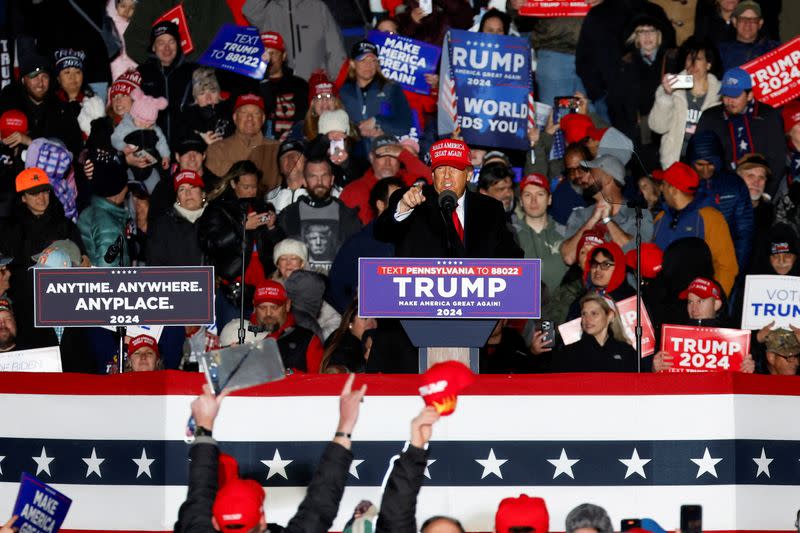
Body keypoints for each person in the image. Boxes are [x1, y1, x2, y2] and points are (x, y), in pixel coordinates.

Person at [175, 374, 365, 532]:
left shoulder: (195, 525)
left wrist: (204, 426)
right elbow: (320, 504)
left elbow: (199, 493)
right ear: (263, 519)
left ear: (214, 523)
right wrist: (345, 425)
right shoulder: (196, 524)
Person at [375, 138, 523, 258]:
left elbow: (512, 256)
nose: (446, 177)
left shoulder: (490, 209)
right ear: (432, 175)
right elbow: (381, 233)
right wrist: (403, 209)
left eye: (454, 169)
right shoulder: (411, 200)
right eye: (440, 169)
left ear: (469, 174)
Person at [199, 161, 283, 329]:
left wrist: (273, 227)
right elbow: (211, 243)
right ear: (232, 183)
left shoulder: (263, 207)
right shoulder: (218, 209)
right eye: (246, 187)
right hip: (233, 289)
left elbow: (279, 247)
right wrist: (241, 228)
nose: (251, 191)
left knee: (263, 342)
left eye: (254, 186)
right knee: (232, 342)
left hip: (262, 289)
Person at [652, 161, 738, 295]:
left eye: (663, 184)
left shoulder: (710, 218)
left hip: (697, 302)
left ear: (673, 190)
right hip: (662, 303)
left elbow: (726, 266)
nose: (661, 189)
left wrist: (714, 299)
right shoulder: (660, 218)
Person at [695, 67, 785, 195]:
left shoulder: (768, 116)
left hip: (760, 194)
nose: (729, 101)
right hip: (721, 194)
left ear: (750, 95)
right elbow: (699, 159)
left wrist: (767, 194)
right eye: (725, 95)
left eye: (735, 96)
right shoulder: (710, 117)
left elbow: (778, 161)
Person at [560, 154, 654, 263]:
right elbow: (569, 258)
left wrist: (607, 220)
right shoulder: (580, 215)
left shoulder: (639, 213)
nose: (584, 178)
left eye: (591, 174)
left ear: (608, 179)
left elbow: (636, 255)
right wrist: (592, 220)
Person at [277, 156, 362, 274]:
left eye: (324, 176)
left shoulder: (348, 216)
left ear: (332, 180)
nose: (319, 182)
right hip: (299, 288)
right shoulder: (289, 216)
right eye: (313, 176)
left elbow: (358, 256)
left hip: (337, 287)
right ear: (304, 181)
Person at [328, 177, 400, 313]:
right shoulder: (358, 244)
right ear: (380, 205)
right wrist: (356, 317)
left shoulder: (414, 239)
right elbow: (337, 288)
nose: (404, 205)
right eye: (397, 200)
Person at [652, 277, 755, 372]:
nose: (694, 308)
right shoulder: (672, 338)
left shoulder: (735, 339)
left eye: (700, 301)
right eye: (690, 302)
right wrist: (654, 368)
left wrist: (749, 371)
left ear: (716, 304)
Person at [218, 281, 324, 373]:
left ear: (287, 305)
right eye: (262, 307)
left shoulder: (307, 339)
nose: (268, 313)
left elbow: (318, 384)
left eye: (274, 307)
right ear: (254, 305)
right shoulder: (237, 333)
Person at [648, 36, 722, 167]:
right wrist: (666, 95)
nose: (692, 64)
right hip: (674, 163)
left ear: (709, 64)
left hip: (705, 165)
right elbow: (658, 127)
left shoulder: (720, 94)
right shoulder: (671, 89)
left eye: (698, 59)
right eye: (689, 59)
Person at [687, 131, 754, 271]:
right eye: (700, 164)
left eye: (711, 164)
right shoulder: (681, 185)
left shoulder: (734, 185)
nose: (706, 170)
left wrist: (735, 269)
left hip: (728, 261)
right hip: (691, 263)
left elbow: (744, 232)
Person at [0, 52, 82, 157]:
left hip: (50, 170)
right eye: (34, 76)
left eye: (45, 77)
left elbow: (74, 149)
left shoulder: (61, 110)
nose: (40, 83)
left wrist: (30, 142)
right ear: (23, 80)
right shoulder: (9, 104)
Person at [243, 0, 347, 80]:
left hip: (315, 91)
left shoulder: (318, 7)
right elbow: (248, 10)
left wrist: (331, 84)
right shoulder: (267, 11)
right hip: (280, 92)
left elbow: (336, 51)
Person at [339, 135, 431, 225]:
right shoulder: (353, 191)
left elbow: (436, 182)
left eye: (393, 155)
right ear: (371, 158)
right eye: (382, 155)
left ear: (400, 159)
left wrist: (404, 154)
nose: (387, 162)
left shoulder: (410, 182)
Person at [339, 40, 413, 145]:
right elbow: (339, 126)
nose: (368, 65)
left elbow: (404, 126)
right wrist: (359, 130)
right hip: (356, 153)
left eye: (373, 60)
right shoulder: (344, 92)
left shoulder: (391, 88)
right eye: (363, 60)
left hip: (386, 149)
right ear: (352, 64)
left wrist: (376, 121)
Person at [205, 94, 281, 193]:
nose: (249, 118)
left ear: (263, 119)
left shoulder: (277, 150)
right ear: (235, 117)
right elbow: (214, 187)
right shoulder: (216, 150)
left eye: (256, 113)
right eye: (244, 113)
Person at [137, 21, 196, 144]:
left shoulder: (193, 71)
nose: (167, 48)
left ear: (178, 44)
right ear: (153, 47)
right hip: (153, 148)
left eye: (171, 42)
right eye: (161, 43)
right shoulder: (141, 73)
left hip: (186, 149)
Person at [551, 293, 637, 372]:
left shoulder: (626, 351)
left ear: (610, 316)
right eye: (584, 314)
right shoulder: (570, 353)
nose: (587, 319)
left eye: (594, 313)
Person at [515, 173, 568, 298]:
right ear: (521, 201)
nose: (534, 201)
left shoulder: (565, 234)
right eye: (528, 195)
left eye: (540, 194)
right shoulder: (509, 236)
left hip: (561, 312)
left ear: (549, 199)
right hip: (522, 310)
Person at [146, 170, 207, 266]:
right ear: (178, 198)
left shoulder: (216, 220)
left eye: (193, 187)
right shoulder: (163, 225)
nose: (188, 193)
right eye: (182, 189)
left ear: (203, 194)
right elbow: (155, 265)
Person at [258, 31, 309, 139]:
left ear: (284, 56)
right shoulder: (250, 86)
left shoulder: (299, 86)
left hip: (291, 148)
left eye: (272, 53)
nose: (267, 58)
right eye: (264, 53)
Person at [77, 166, 130, 267]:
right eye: (125, 185)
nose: (127, 189)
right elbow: (108, 272)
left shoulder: (89, 211)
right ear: (117, 191)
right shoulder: (109, 225)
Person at [717, 1, 780, 71]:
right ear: (734, 22)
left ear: (760, 23)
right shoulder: (721, 52)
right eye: (743, 19)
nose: (747, 24)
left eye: (753, 20)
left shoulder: (775, 49)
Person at [179, 68, 234, 146]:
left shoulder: (231, 112)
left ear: (219, 94)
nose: (208, 98)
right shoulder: (188, 120)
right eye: (202, 93)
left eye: (213, 91)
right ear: (196, 99)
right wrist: (201, 139)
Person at [320, 299, 377, 373]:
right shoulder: (343, 344)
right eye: (365, 318)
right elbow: (338, 369)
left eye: (375, 319)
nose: (372, 324)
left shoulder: (339, 338)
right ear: (350, 323)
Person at [267, 138, 308, 213]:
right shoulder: (269, 199)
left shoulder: (322, 193)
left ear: (306, 162)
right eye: (285, 157)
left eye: (296, 155)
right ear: (280, 168)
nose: (290, 158)